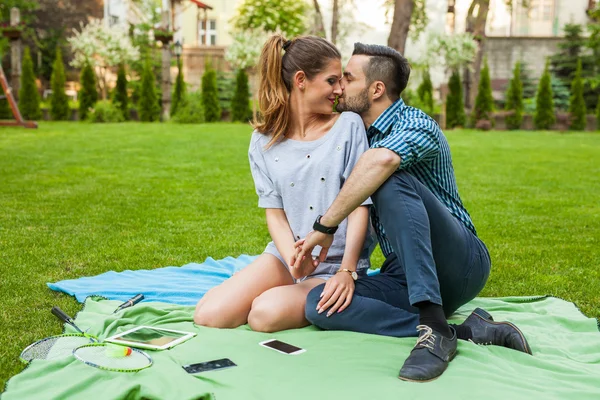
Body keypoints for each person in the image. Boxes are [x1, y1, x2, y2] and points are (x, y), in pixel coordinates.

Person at [292, 43, 532, 383]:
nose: (340, 86)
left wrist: (324, 227)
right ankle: (461, 331)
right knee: (320, 303)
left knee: (386, 175)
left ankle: (433, 329)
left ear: (376, 89)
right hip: (403, 273)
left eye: (348, 77)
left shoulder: (417, 124)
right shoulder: (358, 134)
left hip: (459, 263)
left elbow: (384, 162)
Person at [193, 35, 374, 333]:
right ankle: (281, 287)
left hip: (335, 264)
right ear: (301, 80)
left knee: (264, 315)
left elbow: (359, 206)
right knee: (209, 314)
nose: (340, 89)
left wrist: (348, 269)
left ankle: (297, 291)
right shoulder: (263, 141)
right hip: (286, 256)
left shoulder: (349, 126)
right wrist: (293, 259)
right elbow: (273, 211)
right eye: (332, 81)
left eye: (341, 80)